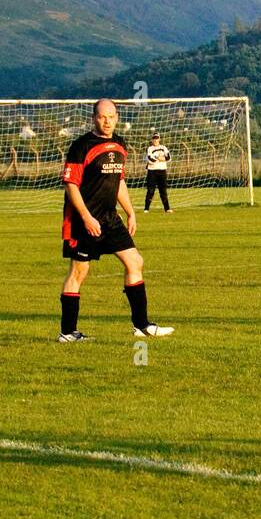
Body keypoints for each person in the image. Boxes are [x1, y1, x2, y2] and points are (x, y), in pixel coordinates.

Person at [58, 99, 174, 341]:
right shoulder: (81, 146)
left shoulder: (120, 144)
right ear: (93, 118)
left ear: (117, 117)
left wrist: (130, 212)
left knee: (135, 261)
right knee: (79, 272)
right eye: (102, 116)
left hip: (111, 218)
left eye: (111, 116)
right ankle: (68, 332)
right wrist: (86, 217)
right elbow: (71, 185)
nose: (107, 121)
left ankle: (141, 326)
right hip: (83, 220)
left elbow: (118, 181)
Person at [143, 131, 173, 213]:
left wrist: (159, 158)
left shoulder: (164, 147)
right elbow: (150, 159)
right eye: (154, 139)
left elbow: (169, 158)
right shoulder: (150, 148)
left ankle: (167, 208)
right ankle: (146, 209)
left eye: (157, 138)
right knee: (150, 191)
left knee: (163, 191)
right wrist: (160, 158)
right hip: (152, 172)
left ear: (159, 139)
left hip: (162, 171)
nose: (155, 140)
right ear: (152, 140)